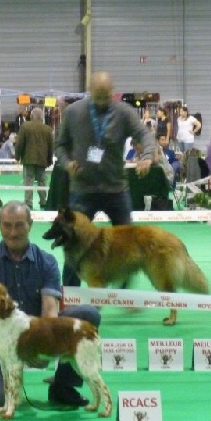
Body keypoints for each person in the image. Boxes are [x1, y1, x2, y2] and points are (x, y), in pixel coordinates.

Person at [0, 201, 102, 410]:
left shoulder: (46, 261)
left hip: (36, 328)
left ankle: (63, 385)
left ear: (30, 224)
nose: (13, 232)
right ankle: (11, 394)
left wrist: (42, 344)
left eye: (19, 225)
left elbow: (50, 310)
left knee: (87, 314)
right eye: (7, 225)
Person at [55, 70, 155, 287]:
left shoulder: (124, 112)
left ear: (112, 92)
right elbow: (60, 145)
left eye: (106, 96)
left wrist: (147, 157)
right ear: (89, 91)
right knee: (72, 244)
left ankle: (123, 291)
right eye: (98, 96)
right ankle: (69, 294)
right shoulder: (73, 113)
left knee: (128, 244)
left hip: (116, 189)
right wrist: (67, 163)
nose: (102, 101)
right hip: (82, 189)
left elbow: (145, 135)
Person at [15, 106, 53, 210]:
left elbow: (20, 143)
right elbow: (51, 147)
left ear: (31, 116)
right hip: (42, 159)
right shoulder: (48, 129)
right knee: (42, 181)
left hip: (28, 159)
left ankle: (28, 202)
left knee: (28, 180)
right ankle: (43, 200)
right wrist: (49, 160)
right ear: (42, 117)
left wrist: (17, 157)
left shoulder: (25, 126)